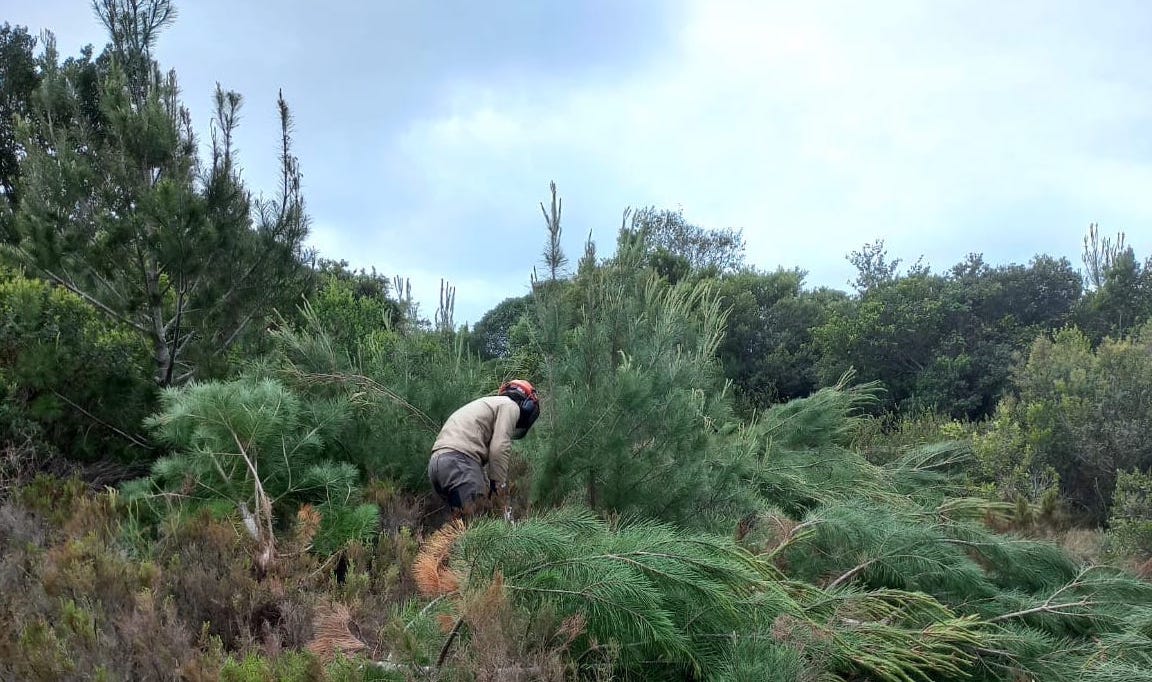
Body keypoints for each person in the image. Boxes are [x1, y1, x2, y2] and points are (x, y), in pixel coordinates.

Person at [427, 379, 540, 518]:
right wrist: (499, 487)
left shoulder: (488, 404)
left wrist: (488, 486)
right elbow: (499, 447)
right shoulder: (510, 405)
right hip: (460, 462)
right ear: (527, 404)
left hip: (438, 464)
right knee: (478, 527)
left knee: (459, 525)